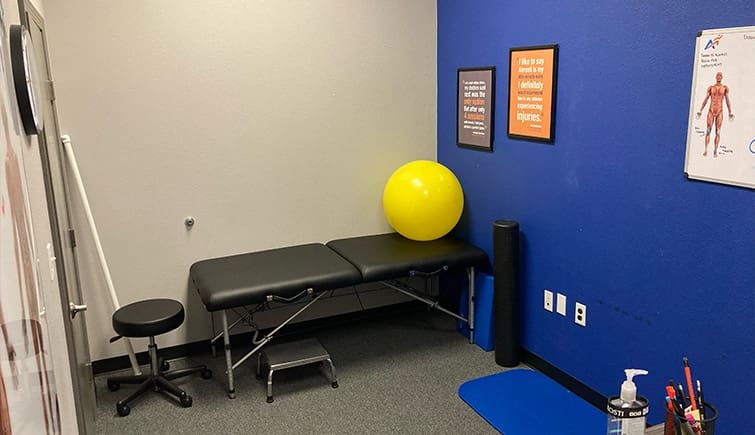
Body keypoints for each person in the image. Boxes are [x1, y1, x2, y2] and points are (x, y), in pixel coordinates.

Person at [696, 71, 734, 158]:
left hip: (720, 111)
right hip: (711, 111)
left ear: (722, 77)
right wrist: (700, 110)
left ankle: (715, 150)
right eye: (717, 75)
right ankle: (706, 150)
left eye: (720, 75)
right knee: (708, 131)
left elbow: (727, 100)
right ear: (715, 77)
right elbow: (706, 99)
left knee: (718, 132)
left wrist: (730, 112)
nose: (719, 77)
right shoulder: (711, 88)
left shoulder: (725, 88)